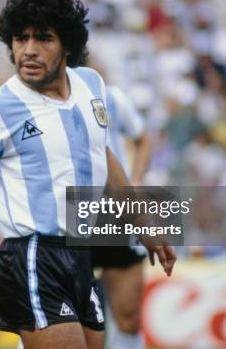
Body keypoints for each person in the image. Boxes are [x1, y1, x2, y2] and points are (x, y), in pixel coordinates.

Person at [0, 0, 176, 349]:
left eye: (43, 38)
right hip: (32, 255)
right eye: (20, 38)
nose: (28, 50)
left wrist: (144, 224)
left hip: (81, 252)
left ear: (67, 44)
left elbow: (105, 159)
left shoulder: (92, 86)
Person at [91, 85, 152, 349]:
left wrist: (135, 180)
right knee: (56, 322)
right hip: (65, 212)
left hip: (116, 209)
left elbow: (142, 137)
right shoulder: (36, 101)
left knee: (128, 317)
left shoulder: (111, 97)